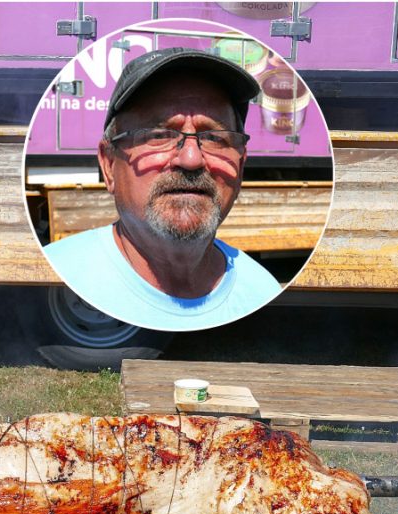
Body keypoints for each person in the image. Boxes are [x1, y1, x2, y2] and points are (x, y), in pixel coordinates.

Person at [43, 47, 282, 331]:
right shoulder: (55, 274)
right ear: (108, 165)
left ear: (240, 166)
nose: (191, 159)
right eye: (159, 135)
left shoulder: (261, 292)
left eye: (215, 137)